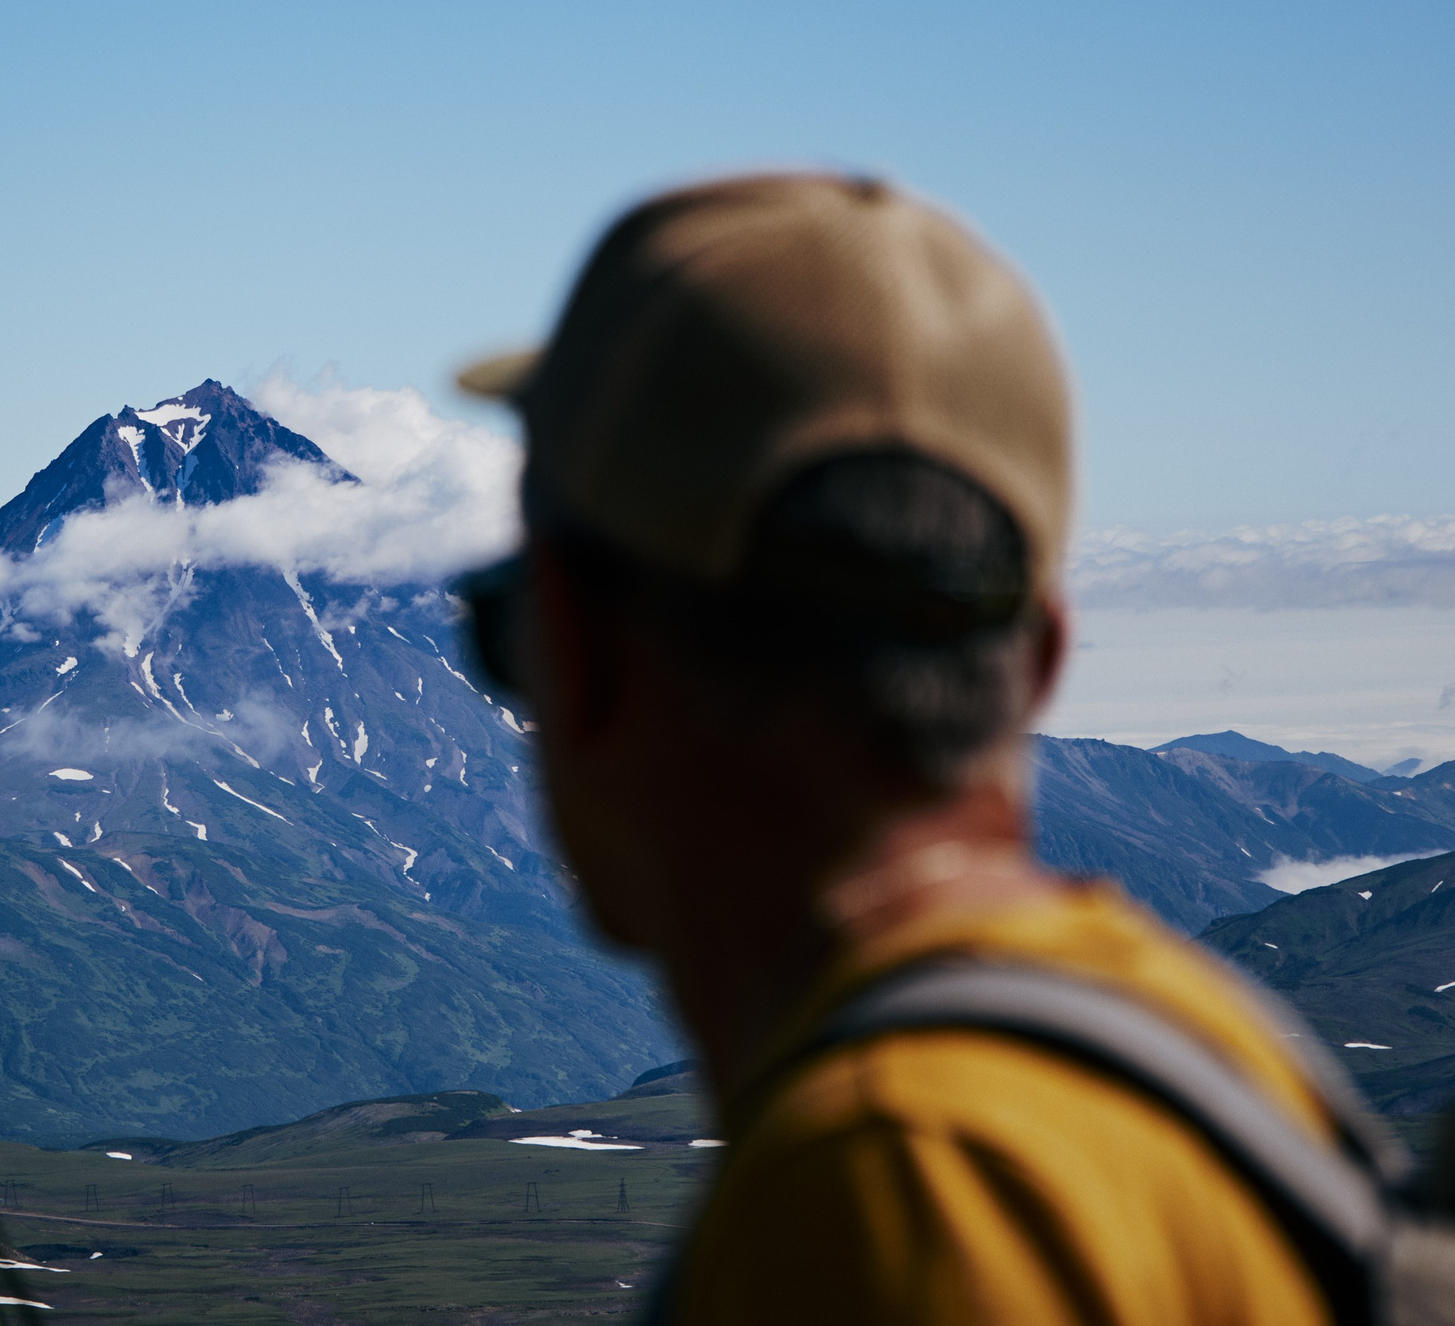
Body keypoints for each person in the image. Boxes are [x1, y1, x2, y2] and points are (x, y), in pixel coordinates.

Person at [458, 173, 1362, 1324]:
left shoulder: (887, 1191)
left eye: (500, 624)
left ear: (576, 656)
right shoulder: (1218, 1055)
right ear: (1039, 661)